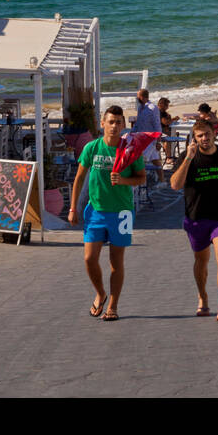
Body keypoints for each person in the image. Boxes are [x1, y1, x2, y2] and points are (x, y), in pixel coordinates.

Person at [69, 105, 145, 321]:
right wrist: (73, 208)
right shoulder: (92, 148)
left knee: (116, 262)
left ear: (123, 125)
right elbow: (79, 178)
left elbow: (141, 178)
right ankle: (101, 293)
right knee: (89, 258)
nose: (114, 126)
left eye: (118, 122)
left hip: (122, 213)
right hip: (95, 212)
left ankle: (113, 305)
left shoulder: (130, 151)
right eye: (110, 122)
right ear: (102, 124)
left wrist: (124, 180)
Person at [169, 119, 218, 322]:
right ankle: (203, 296)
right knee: (201, 261)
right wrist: (188, 159)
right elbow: (175, 185)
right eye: (199, 136)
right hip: (196, 218)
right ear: (194, 138)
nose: (204, 138)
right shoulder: (187, 157)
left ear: (214, 133)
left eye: (207, 134)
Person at [133, 88, 163, 184]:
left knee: (141, 160)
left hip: (150, 140)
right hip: (140, 138)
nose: (136, 98)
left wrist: (158, 141)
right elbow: (137, 123)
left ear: (142, 97)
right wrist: (131, 134)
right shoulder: (140, 108)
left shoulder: (153, 108)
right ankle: (161, 180)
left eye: (138, 97)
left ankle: (141, 181)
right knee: (155, 159)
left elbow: (157, 125)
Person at [157, 97, 174, 166]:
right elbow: (166, 122)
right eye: (166, 105)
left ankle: (169, 154)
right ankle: (168, 157)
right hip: (159, 131)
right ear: (162, 105)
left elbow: (166, 120)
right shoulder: (160, 112)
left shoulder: (160, 111)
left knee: (171, 133)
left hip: (161, 129)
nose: (167, 107)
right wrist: (172, 119)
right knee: (168, 139)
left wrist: (170, 118)